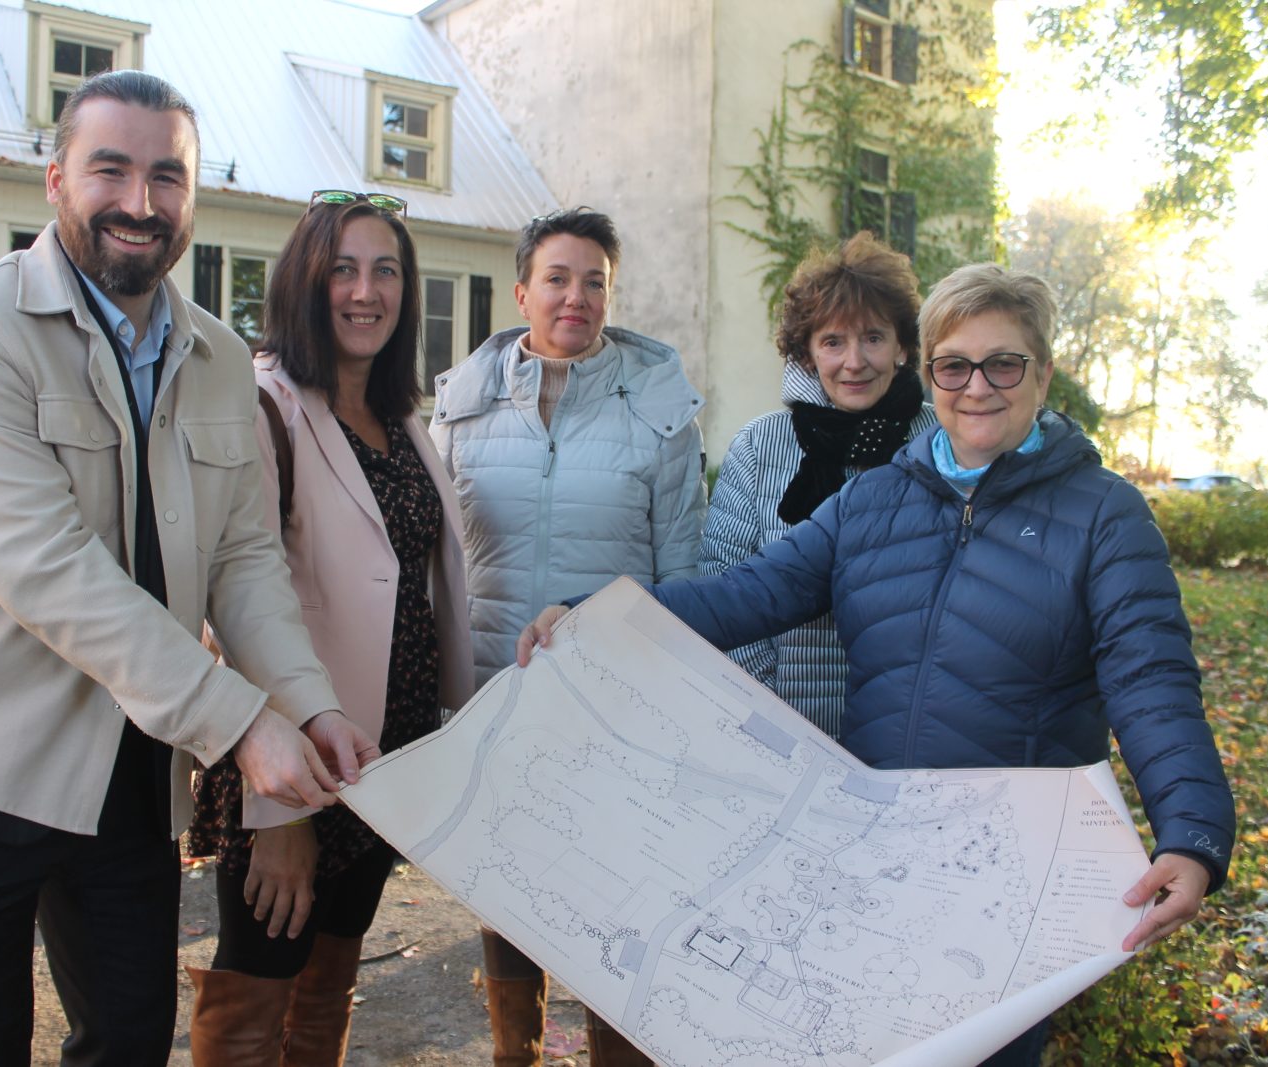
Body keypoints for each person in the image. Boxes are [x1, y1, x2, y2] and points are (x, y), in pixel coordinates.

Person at [517, 263, 1236, 1067]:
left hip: (1012, 873)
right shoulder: (877, 499)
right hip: (879, 857)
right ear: (930, 373)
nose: (978, 387)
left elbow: (1152, 682)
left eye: (1004, 363)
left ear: (1044, 372)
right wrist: (598, 610)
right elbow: (748, 593)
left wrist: (1192, 831)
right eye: (954, 365)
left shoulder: (1105, 513)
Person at [0, 72, 375, 1067]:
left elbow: (243, 556)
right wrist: (237, 720)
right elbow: (44, 568)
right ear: (55, 181)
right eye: (112, 169)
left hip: (130, 769)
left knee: (129, 1038)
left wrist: (306, 704)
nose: (140, 202)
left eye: (167, 175)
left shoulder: (220, 357)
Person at [185, 191, 474, 1065]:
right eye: (343, 268)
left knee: (329, 979)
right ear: (306, 283)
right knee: (258, 984)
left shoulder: (400, 416)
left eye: (385, 270)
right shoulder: (266, 406)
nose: (365, 290)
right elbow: (238, 602)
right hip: (296, 762)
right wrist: (279, 814)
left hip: (386, 759)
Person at [431, 208, 706, 1066]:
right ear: (522, 292)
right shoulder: (461, 411)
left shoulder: (659, 415)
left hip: (617, 704)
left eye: (595, 281)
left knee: (618, 902)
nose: (576, 296)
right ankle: (517, 1050)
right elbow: (436, 560)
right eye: (558, 278)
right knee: (508, 892)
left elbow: (688, 578)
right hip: (495, 693)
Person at [700, 232, 938, 738]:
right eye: (833, 341)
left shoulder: (939, 441)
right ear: (806, 353)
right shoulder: (760, 447)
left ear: (902, 347)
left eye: (873, 337)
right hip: (781, 729)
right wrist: (769, 715)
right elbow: (727, 580)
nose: (854, 361)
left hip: (914, 730)